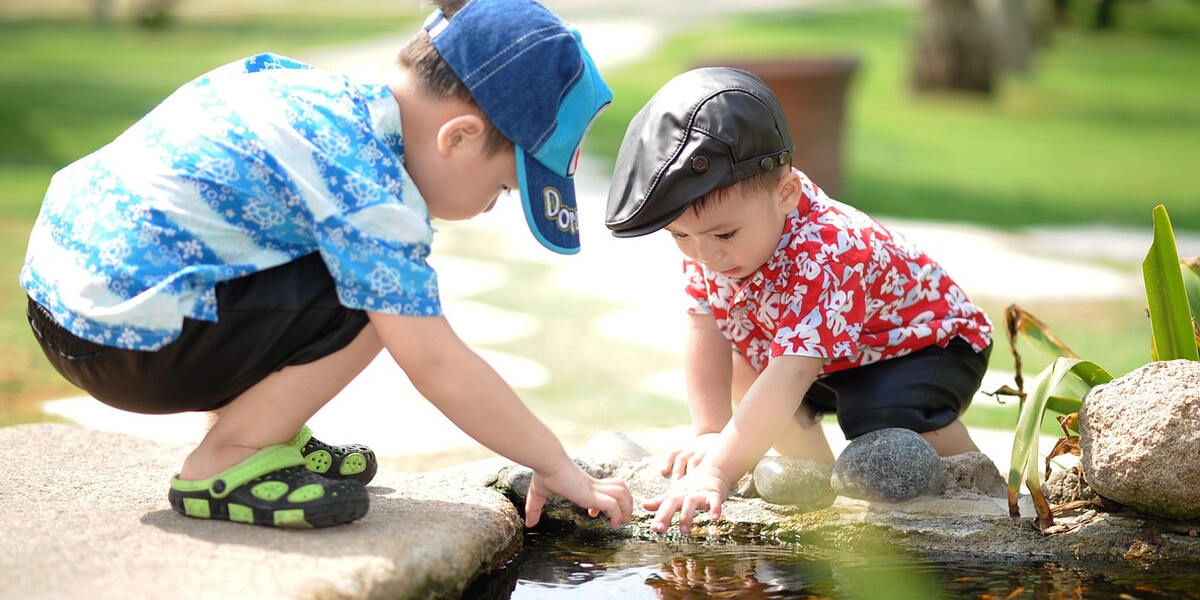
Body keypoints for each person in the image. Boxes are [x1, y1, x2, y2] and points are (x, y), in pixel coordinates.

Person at [21, 0, 632, 530]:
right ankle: (229, 457)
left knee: (345, 267)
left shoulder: (309, 94)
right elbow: (436, 364)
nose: (486, 210)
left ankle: (262, 428)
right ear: (460, 137)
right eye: (501, 190)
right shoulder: (370, 188)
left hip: (63, 304)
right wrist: (555, 464)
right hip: (124, 344)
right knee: (379, 302)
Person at [604, 67, 993, 533]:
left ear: (785, 193)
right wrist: (710, 432)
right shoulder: (712, 245)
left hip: (926, 347)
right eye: (680, 236)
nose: (706, 254)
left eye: (724, 233)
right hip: (829, 356)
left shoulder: (829, 249)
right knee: (747, 361)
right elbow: (704, 327)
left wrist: (717, 472)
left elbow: (793, 371)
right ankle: (818, 490)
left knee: (879, 417)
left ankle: (979, 488)